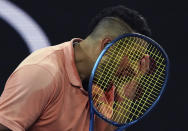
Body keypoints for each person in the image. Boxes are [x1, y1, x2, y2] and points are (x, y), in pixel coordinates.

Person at [0, 5, 151, 131]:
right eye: (132, 57)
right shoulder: (42, 73)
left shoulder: (105, 83)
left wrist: (126, 98)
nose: (134, 68)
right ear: (107, 46)